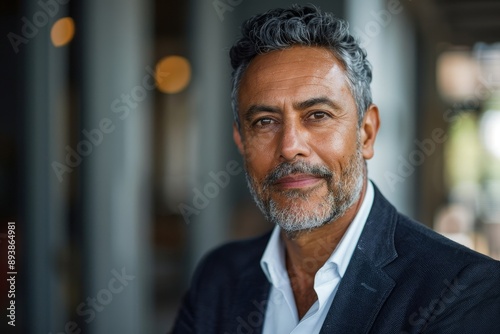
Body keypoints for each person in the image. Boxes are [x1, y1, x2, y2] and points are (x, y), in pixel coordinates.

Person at [171, 5, 500, 333]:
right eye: (265, 121)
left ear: (367, 132)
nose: (289, 146)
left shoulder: (463, 290)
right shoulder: (218, 276)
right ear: (241, 141)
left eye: (317, 115)